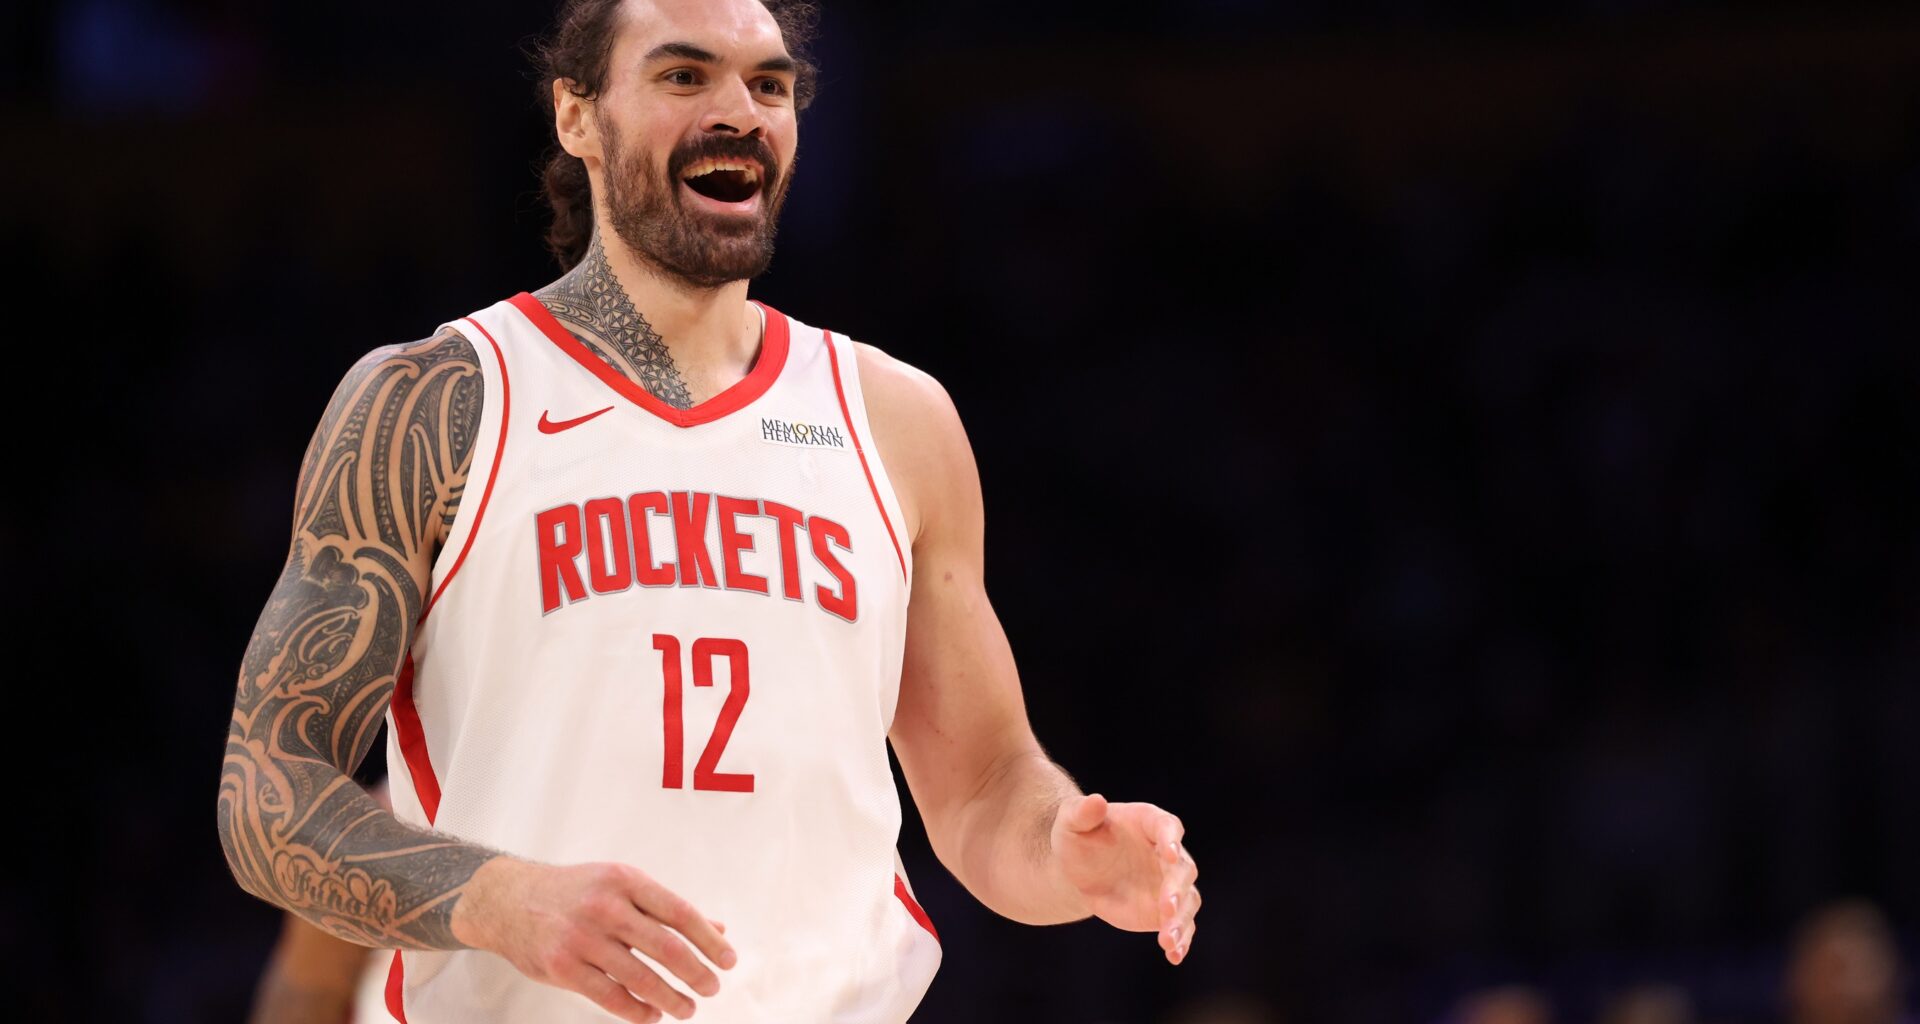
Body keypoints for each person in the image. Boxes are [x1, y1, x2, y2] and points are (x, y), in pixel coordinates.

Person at [214, 1, 1202, 1022]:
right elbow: (267, 791)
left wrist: (1063, 850)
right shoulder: (439, 402)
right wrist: (498, 897)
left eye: (769, 85)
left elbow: (987, 788)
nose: (740, 111)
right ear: (577, 117)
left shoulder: (898, 420)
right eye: (685, 77)